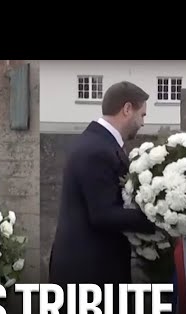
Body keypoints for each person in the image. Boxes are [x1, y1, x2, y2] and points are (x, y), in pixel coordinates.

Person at [49, 80, 156, 286]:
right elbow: (103, 214)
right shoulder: (97, 150)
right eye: (142, 115)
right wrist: (159, 219)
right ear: (127, 109)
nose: (143, 123)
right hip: (89, 275)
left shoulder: (99, 143)